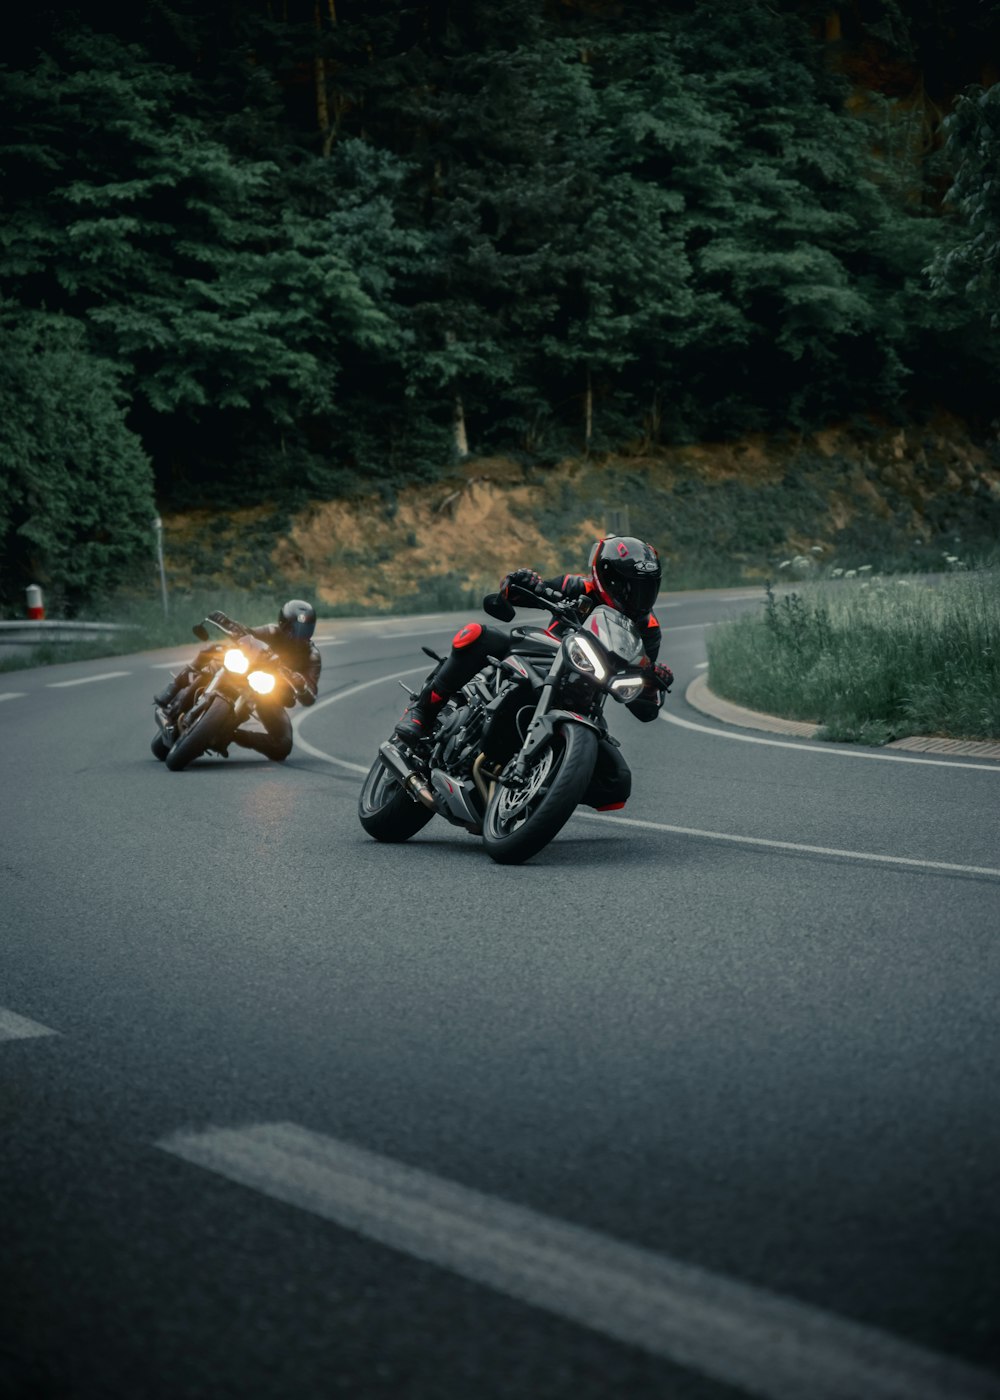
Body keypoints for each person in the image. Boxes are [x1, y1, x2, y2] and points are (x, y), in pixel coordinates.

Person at [394, 537, 673, 809]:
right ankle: (422, 713)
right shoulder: (576, 587)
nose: (636, 594)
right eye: (628, 585)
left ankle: (543, 791)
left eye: (646, 586)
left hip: (585, 696)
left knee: (617, 784)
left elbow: (641, 699)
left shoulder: (648, 628)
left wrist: (652, 681)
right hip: (539, 658)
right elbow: (510, 594)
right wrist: (521, 583)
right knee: (481, 636)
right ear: (606, 576)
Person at [154, 599, 321, 761]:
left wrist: (302, 686)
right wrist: (228, 623)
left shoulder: (312, 656)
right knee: (213, 654)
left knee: (283, 745)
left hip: (268, 691)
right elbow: (248, 633)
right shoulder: (272, 632)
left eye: (305, 631)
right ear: (282, 624)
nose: (298, 636)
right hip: (244, 670)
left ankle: (229, 734)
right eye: (294, 629)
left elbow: (311, 696)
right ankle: (174, 692)